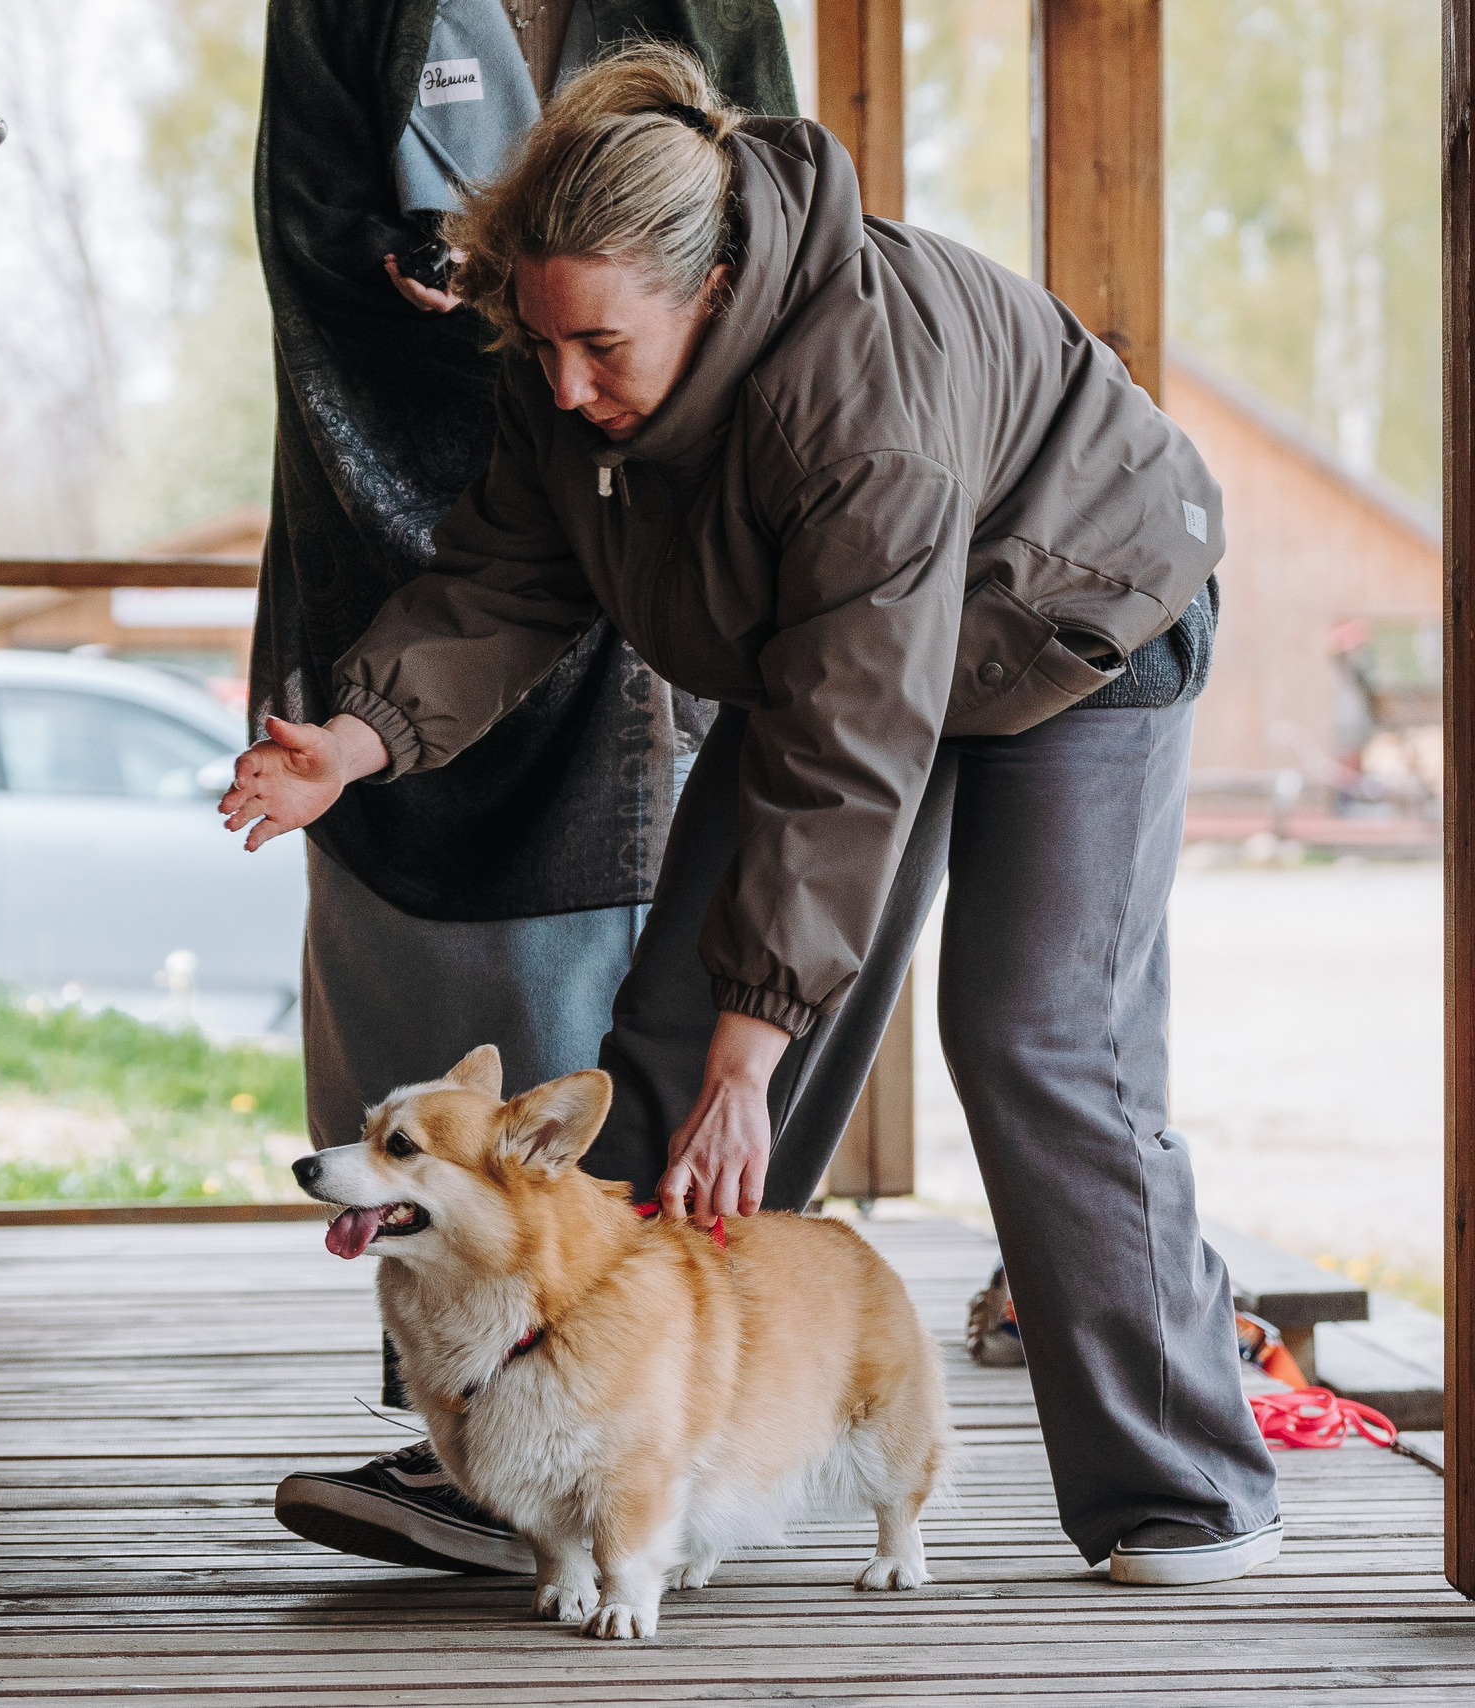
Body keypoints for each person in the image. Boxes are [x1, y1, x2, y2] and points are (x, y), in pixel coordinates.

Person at [230, 43, 1278, 1585]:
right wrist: (360, 737)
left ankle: (1184, 1486)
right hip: (843, 653)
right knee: (670, 1036)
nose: (569, 385)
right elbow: (507, 577)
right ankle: (573, 1448)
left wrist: (761, 1041)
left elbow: (854, 747)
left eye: (602, 347)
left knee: (1032, 1037)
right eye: (546, 343)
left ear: (710, 286)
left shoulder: (860, 406)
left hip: (1077, 621)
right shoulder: (564, 356)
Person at [255, 0, 813, 1573]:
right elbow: (306, 228)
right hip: (427, 508)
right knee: (421, 988)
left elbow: (757, 198)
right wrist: (430, 276)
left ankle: (653, 1411)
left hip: (654, 515)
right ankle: (464, 1427)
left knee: (650, 982)